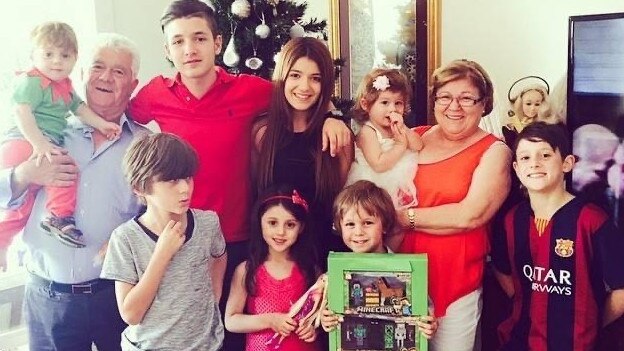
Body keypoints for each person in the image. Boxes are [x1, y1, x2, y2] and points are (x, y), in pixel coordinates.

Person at [127, 3, 350, 347]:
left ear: (217, 43)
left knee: (237, 335)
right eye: (179, 41)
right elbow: (117, 116)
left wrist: (335, 115)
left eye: (199, 38)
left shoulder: (252, 90)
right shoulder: (154, 94)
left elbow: (299, 93)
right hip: (182, 239)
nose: (190, 49)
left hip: (242, 238)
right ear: (167, 50)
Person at [0, 33, 146, 350]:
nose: (105, 77)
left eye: (118, 71)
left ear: (132, 84)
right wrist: (24, 174)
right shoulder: (43, 130)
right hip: (48, 300)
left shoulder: (146, 145)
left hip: (115, 296)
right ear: (80, 74)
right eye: (97, 66)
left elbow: (155, 217)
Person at [394, 59, 512, 351]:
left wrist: (401, 217)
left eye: (466, 98)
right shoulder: (415, 136)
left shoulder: (495, 151)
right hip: (397, 277)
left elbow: (469, 215)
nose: (454, 106)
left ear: (484, 103)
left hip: (455, 281)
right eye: (445, 97)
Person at [491, 122, 624, 351]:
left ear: (567, 163)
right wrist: (526, 300)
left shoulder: (592, 220)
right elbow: (500, 267)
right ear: (515, 167)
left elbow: (621, 289)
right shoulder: (512, 219)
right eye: (525, 158)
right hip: (520, 340)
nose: (534, 163)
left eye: (545, 154)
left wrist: (589, 321)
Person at [100, 133, 226, 350]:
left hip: (207, 344)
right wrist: (162, 255)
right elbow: (131, 314)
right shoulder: (125, 239)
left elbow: (219, 255)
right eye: (171, 180)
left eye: (187, 178)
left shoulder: (208, 222)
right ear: (140, 188)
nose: (185, 189)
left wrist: (213, 298)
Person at [0, 22, 121, 247]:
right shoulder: (32, 80)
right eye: (48, 54)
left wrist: (102, 124)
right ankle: (58, 216)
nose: (57, 61)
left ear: (75, 59)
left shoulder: (64, 86)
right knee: (65, 169)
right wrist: (39, 144)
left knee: (23, 205)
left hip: (36, 142)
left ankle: (2, 239)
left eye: (65, 55)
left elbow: (80, 108)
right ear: (33, 56)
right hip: (22, 141)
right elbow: (21, 110)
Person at [254, 37, 354, 265]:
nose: (304, 87)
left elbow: (338, 202)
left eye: (315, 78)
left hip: (323, 254)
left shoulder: (338, 135)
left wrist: (332, 116)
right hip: (274, 259)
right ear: (282, 77)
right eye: (295, 75)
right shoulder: (263, 133)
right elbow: (256, 196)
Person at [319, 180, 437, 337]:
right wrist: (325, 319)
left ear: (385, 225)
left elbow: (425, 310)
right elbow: (327, 311)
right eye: (350, 224)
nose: (358, 232)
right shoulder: (334, 274)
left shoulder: (406, 271)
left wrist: (429, 324)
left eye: (367, 223)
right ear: (340, 227)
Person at [224, 185, 320, 351]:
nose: (281, 232)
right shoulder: (247, 270)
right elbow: (231, 321)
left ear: (301, 228)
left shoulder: (311, 271)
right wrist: (271, 320)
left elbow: (319, 318)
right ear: (260, 222)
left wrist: (314, 330)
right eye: (273, 223)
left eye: (290, 225)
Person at [346, 68, 423, 209]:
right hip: (376, 185)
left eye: (398, 103)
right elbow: (379, 164)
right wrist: (400, 146)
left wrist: (403, 129)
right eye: (385, 103)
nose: (392, 109)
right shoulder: (368, 132)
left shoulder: (399, 128)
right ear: (365, 105)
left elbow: (418, 145)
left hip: (399, 181)